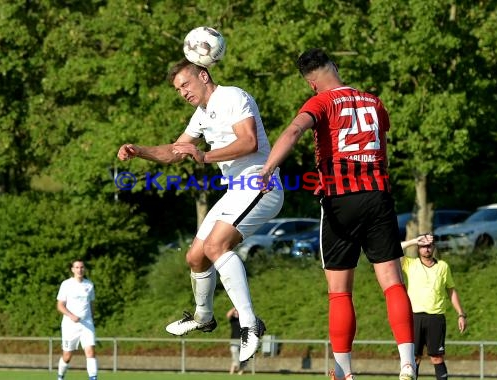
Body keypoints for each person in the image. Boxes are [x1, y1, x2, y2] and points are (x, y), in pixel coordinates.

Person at [258, 48, 416, 380]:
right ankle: (407, 363)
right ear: (335, 67)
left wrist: (268, 168)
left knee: (340, 290)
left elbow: (292, 132)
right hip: (378, 195)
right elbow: (382, 152)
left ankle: (344, 371)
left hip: (340, 199)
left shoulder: (319, 103)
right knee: (392, 282)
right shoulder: (374, 102)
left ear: (310, 83)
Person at [116, 58, 284, 362]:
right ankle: (204, 316)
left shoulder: (232, 96)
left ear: (203, 75)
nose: (182, 92)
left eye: (185, 84)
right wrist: (139, 150)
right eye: (178, 89)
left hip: (261, 184)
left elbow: (248, 141)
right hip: (237, 191)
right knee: (195, 257)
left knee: (215, 245)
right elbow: (175, 151)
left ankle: (250, 323)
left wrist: (204, 156)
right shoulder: (201, 115)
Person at [401, 233, 467, 380]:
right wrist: (413, 241)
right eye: (423, 246)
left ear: (434, 247)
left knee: (437, 358)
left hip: (436, 318)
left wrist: (461, 314)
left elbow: (451, 290)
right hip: (415, 317)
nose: (426, 249)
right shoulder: (410, 264)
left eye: (429, 245)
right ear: (418, 248)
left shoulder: (443, 267)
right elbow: (393, 250)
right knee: (414, 358)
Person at [56, 260, 98, 380]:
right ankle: (60, 376)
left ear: (84, 269)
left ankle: (93, 378)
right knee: (67, 356)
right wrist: (71, 315)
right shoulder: (66, 284)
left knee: (90, 352)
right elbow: (60, 306)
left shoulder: (89, 285)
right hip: (70, 325)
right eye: (77, 267)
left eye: (82, 267)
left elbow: (91, 304)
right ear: (72, 270)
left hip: (87, 324)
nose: (79, 270)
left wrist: (91, 319)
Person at [227, 307, 245, 375]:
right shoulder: (233, 319)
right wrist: (235, 307)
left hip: (243, 340)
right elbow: (228, 315)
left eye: (238, 311)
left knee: (244, 356)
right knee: (234, 351)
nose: (236, 312)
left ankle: (238, 372)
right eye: (236, 312)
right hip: (234, 339)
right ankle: (236, 364)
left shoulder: (243, 319)